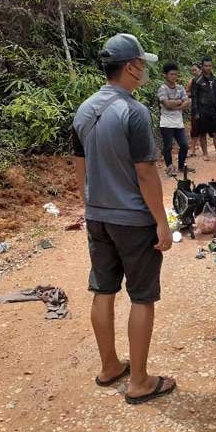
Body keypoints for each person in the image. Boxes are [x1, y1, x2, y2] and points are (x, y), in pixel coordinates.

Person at [71, 33, 176, 404]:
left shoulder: (84, 109)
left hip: (97, 215)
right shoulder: (134, 112)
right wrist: (161, 222)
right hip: (132, 218)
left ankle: (110, 366)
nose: (144, 70)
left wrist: (91, 204)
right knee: (142, 296)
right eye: (142, 64)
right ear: (131, 66)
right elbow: (146, 172)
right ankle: (141, 381)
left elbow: (80, 168)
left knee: (103, 289)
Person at [157, 63, 193, 176]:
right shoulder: (162, 88)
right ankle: (169, 167)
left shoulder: (180, 87)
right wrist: (179, 102)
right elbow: (167, 104)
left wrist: (175, 104)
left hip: (178, 122)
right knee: (168, 146)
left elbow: (187, 102)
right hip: (166, 123)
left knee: (184, 145)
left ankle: (181, 166)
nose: (174, 76)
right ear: (166, 75)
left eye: (176, 74)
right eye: (172, 74)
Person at [191, 57, 216, 161]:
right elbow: (194, 97)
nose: (208, 68)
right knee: (202, 133)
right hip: (202, 110)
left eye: (210, 66)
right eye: (206, 66)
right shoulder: (197, 81)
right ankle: (205, 154)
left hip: (214, 110)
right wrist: (196, 112)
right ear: (202, 67)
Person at [185, 63, 201, 157]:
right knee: (195, 128)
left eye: (195, 70)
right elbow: (187, 92)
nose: (194, 72)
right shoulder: (191, 81)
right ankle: (192, 149)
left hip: (207, 107)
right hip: (196, 107)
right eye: (193, 70)